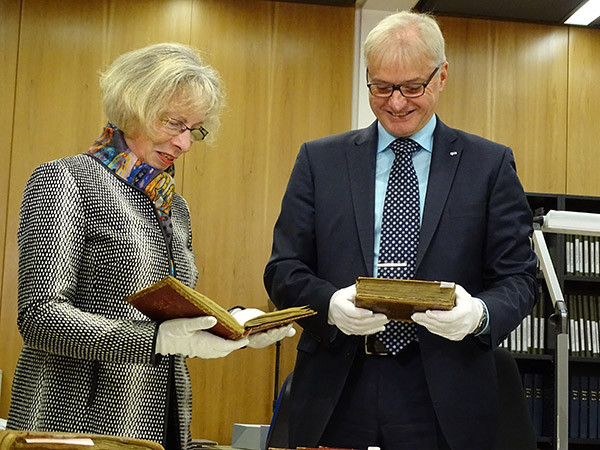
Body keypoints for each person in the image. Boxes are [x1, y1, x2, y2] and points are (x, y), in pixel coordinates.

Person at [264, 11, 537, 450]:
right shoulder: (320, 161)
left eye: (412, 87)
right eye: (381, 87)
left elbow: (520, 279)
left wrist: (479, 315)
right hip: (339, 386)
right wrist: (329, 306)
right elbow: (283, 269)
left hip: (446, 394)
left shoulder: (488, 165)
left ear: (442, 75)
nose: (396, 103)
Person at [7, 43, 294, 450]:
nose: (184, 144)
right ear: (131, 107)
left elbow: (169, 314)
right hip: (74, 426)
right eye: (173, 123)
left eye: (193, 130)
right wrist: (156, 340)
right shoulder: (66, 180)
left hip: (161, 428)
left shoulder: (175, 208)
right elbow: (40, 317)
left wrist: (230, 326)